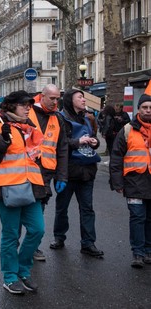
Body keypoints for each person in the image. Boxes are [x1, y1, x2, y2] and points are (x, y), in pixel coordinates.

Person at [0, 90, 46, 295]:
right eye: (23, 105)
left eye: (29, 104)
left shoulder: (30, 129)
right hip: (7, 188)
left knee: (38, 230)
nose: (28, 108)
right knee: (11, 235)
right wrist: (4, 140)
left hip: (32, 187)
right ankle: (10, 277)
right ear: (11, 107)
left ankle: (22, 269)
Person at [50, 89, 104, 257]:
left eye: (83, 97)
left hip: (86, 171)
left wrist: (94, 142)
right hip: (67, 171)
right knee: (62, 207)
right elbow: (58, 143)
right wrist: (77, 141)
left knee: (87, 208)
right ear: (69, 100)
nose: (83, 99)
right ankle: (59, 237)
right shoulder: (60, 118)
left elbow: (93, 137)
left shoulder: (88, 118)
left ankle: (88, 243)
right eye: (79, 97)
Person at [28, 84, 69, 262]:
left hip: (46, 173)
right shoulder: (28, 113)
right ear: (42, 96)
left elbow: (62, 149)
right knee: (22, 208)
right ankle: (19, 245)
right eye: (52, 98)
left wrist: (62, 176)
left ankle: (33, 246)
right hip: (26, 169)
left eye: (57, 99)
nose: (55, 102)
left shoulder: (58, 118)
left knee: (39, 209)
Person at [109, 94, 151, 268]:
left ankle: (148, 251)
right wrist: (117, 183)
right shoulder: (127, 130)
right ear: (138, 109)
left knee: (150, 218)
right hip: (134, 181)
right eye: (145, 107)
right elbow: (116, 157)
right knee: (137, 217)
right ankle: (138, 253)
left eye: (150, 108)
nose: (148, 111)